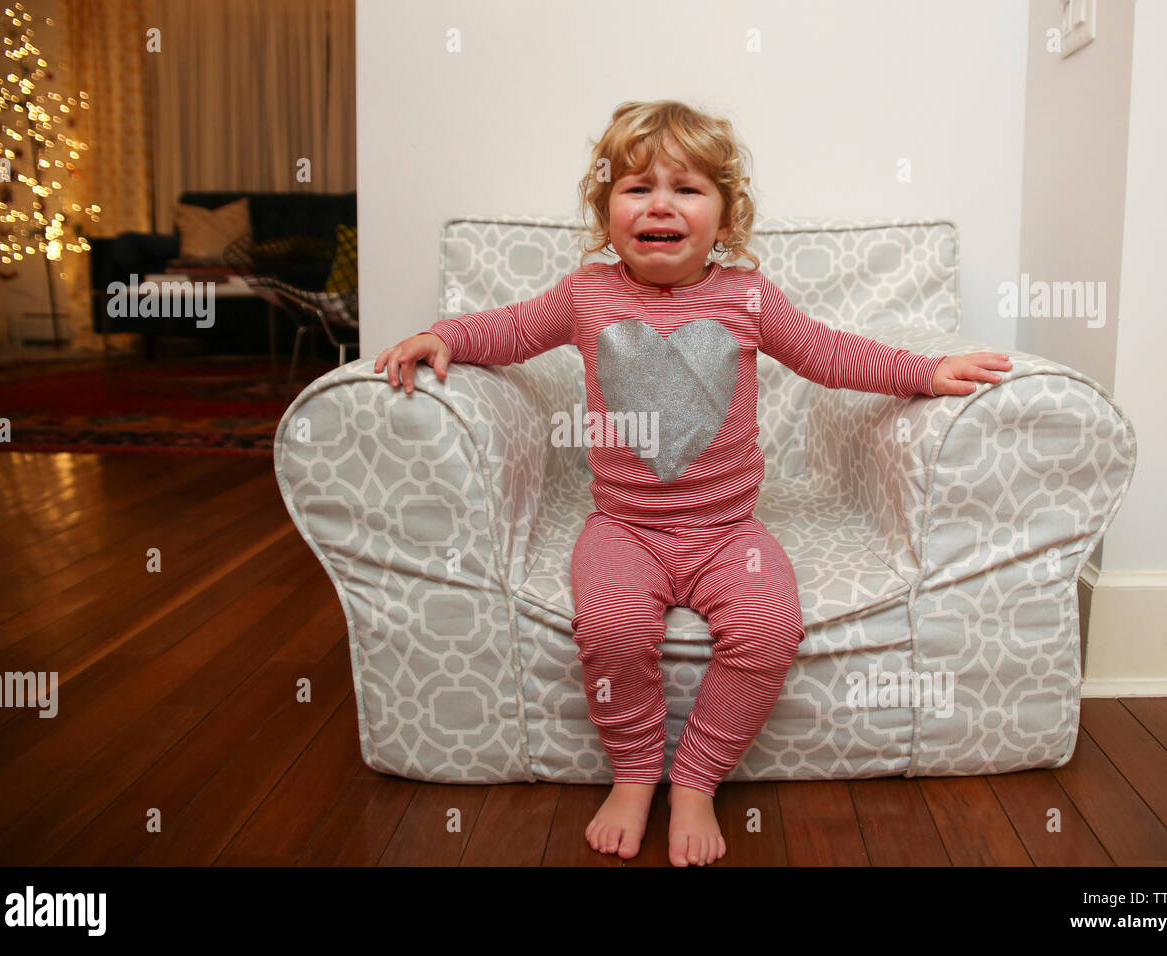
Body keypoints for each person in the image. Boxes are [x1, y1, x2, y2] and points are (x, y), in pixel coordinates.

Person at [374, 100, 1011, 867]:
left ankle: (699, 780)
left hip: (729, 533)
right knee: (610, 629)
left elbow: (828, 354)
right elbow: (507, 330)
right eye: (636, 187)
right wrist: (444, 335)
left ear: (726, 216)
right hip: (623, 528)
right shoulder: (585, 295)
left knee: (771, 629)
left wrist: (923, 371)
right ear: (605, 209)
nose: (660, 205)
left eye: (687, 189)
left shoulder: (747, 297)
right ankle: (638, 773)